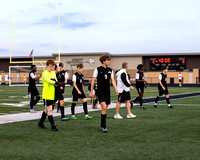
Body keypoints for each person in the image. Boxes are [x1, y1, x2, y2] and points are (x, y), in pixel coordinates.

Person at [90, 54, 119, 133]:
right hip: (100, 90)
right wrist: (91, 92)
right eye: (108, 60)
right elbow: (93, 80)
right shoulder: (97, 69)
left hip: (107, 91)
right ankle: (104, 126)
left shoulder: (110, 70)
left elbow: (112, 80)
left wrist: (116, 89)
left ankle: (102, 125)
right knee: (103, 107)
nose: (109, 61)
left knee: (105, 108)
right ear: (103, 61)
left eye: (109, 60)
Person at [38, 60, 58, 131]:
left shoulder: (53, 73)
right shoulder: (44, 73)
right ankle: (53, 126)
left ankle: (40, 123)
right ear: (47, 65)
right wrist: (54, 82)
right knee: (50, 110)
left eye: (52, 66)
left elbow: (55, 81)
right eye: (50, 66)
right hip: (46, 94)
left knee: (47, 110)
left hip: (52, 94)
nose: (51, 67)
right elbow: (48, 80)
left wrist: (56, 82)